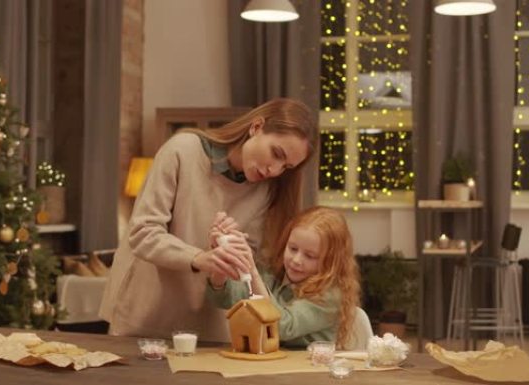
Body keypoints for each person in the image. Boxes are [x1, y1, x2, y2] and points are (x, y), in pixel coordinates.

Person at [99, 98, 318, 341]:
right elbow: (143, 234)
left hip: (210, 328)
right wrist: (201, 258)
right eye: (276, 154)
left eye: (286, 166)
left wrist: (228, 251)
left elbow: (250, 266)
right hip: (145, 317)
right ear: (256, 127)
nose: (274, 170)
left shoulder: (267, 190)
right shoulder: (183, 150)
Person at [206, 206, 361, 349]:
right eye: (293, 249)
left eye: (310, 256)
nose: (296, 260)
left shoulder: (330, 296)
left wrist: (252, 271)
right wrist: (222, 258)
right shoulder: (274, 274)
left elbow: (281, 326)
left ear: (331, 261)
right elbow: (223, 298)